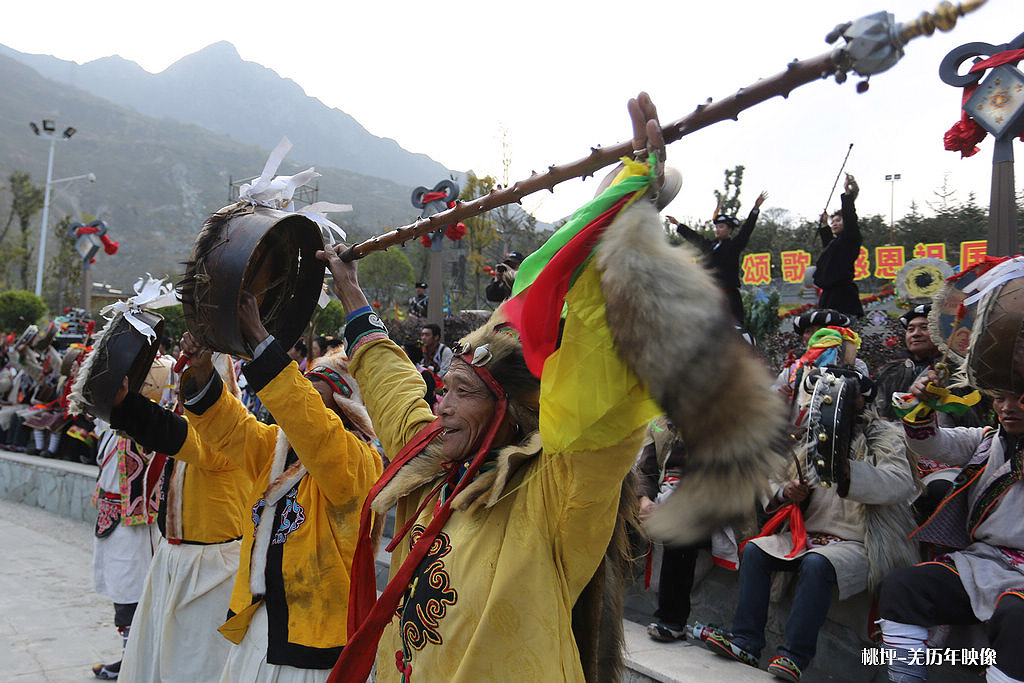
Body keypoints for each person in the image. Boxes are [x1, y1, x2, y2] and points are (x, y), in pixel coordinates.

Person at [324, 92, 786, 683]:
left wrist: (621, 224)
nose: (441, 403)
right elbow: (392, 391)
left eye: (462, 390)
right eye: (446, 388)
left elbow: (595, 379)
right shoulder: (435, 465)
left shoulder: (555, 494)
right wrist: (353, 298)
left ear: (511, 409)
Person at [707, 370, 919, 682]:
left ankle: (794, 656)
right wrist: (786, 490)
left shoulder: (887, 437)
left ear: (861, 400)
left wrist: (849, 472)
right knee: (754, 550)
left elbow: (900, 483)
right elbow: (774, 479)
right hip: (808, 536)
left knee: (818, 564)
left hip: (860, 542)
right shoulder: (814, 434)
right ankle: (746, 642)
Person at [105, 354, 252, 683]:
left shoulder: (232, 437)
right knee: (156, 661)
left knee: (198, 667)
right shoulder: (197, 428)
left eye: (199, 387)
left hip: (212, 574)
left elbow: (183, 439)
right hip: (174, 564)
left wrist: (128, 405)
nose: (189, 397)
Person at [877, 371, 1024, 683]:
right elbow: (931, 444)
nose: (1007, 407)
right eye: (1000, 398)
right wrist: (925, 403)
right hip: (983, 563)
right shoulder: (984, 442)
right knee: (903, 586)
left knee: (1016, 614)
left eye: (1018, 398)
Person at [90, 360, 165, 680]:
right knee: (121, 590)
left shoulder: (144, 425)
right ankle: (129, 659)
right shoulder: (108, 424)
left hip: (134, 522)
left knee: (132, 591)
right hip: (111, 517)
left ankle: (135, 663)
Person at [637, 416, 710, 642]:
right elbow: (646, 471)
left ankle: (673, 620)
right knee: (616, 518)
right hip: (664, 496)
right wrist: (644, 501)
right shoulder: (659, 422)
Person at [667, 191, 767, 325]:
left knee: (734, 329)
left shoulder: (733, 246)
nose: (717, 230)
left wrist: (755, 209)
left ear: (729, 230)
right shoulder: (710, 246)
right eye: (716, 227)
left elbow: (746, 230)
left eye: (721, 227)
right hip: (710, 297)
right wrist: (678, 224)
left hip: (729, 297)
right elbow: (695, 237)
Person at [813, 174, 863, 318]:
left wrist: (847, 193)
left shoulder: (851, 238)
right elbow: (829, 246)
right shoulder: (836, 244)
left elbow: (850, 217)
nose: (834, 223)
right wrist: (824, 225)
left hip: (844, 299)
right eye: (832, 221)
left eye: (838, 220)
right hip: (828, 297)